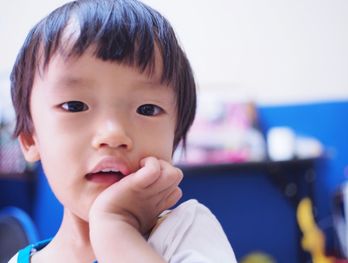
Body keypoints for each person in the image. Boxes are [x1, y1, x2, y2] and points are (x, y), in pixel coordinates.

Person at [9, 0, 237, 262]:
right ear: (29, 139)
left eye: (148, 109)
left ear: (173, 138)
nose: (113, 134)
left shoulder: (186, 232)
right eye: (75, 105)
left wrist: (115, 227)